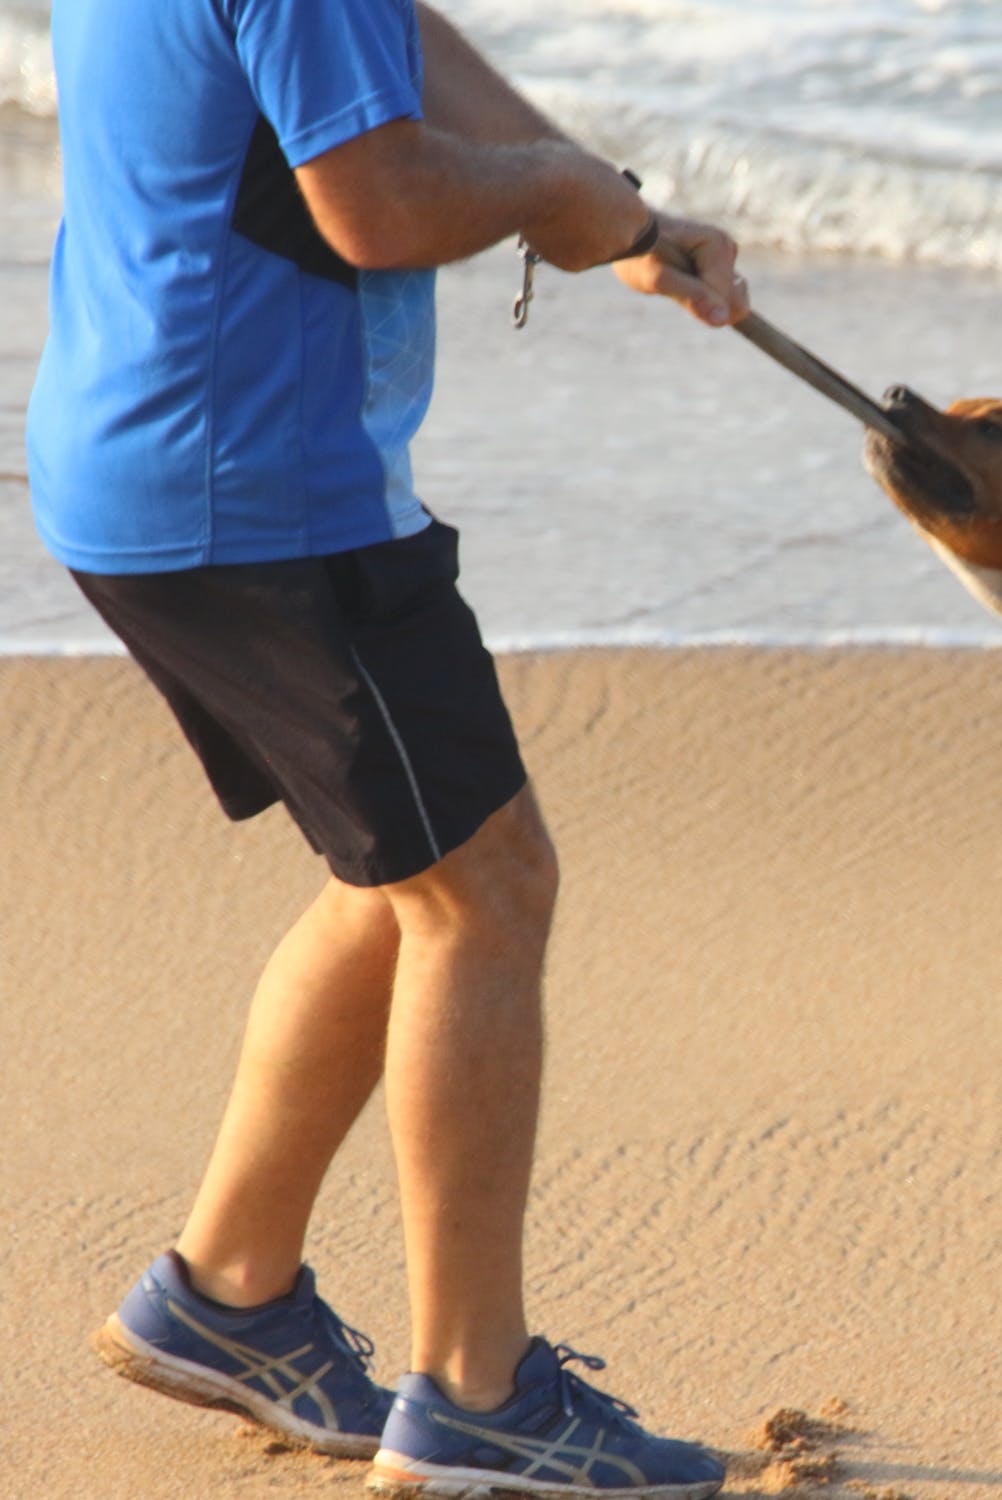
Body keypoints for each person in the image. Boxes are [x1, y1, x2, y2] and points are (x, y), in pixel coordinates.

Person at [27, 1, 751, 1495]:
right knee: (488, 889)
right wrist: (553, 195)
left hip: (143, 460)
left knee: (403, 879)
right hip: (266, 492)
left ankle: (225, 1292)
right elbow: (379, 205)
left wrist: (602, 199)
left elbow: (395, 44)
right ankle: (480, 1397)